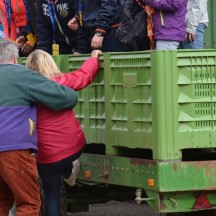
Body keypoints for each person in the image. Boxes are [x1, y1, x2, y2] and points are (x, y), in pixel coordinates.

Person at [0, 39, 78, 216]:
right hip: (13, 148)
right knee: (28, 203)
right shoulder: (22, 74)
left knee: (2, 201)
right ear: (14, 58)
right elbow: (67, 97)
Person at [25, 48, 102, 216]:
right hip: (74, 145)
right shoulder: (60, 81)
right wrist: (93, 58)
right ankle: (68, 169)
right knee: (66, 160)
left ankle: (66, 170)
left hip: (47, 155)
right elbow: (83, 76)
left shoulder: (26, 91)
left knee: (51, 195)